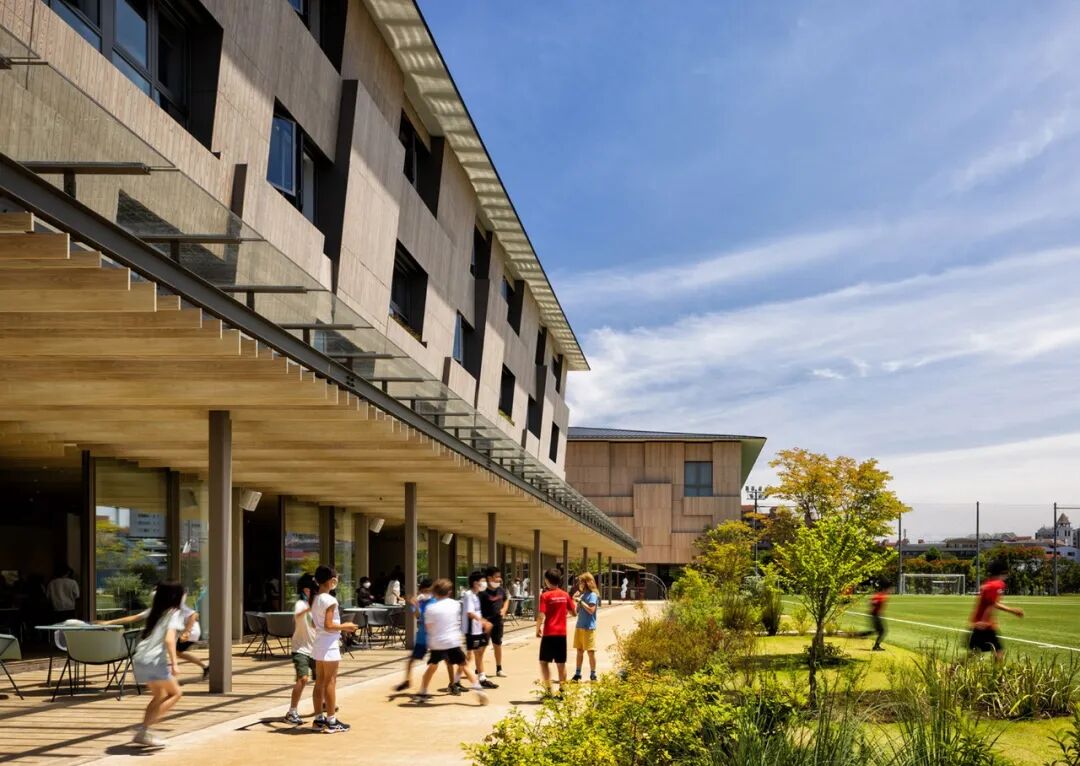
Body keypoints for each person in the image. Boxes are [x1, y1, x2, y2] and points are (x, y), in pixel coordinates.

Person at [413, 578, 488, 705]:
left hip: (437, 642)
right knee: (464, 665)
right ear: (449, 592)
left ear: (434, 592)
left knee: (432, 667)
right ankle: (478, 690)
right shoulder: (455, 604)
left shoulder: (431, 608)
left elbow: (428, 627)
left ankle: (422, 692)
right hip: (453, 641)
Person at [130, 581, 185, 748]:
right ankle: (144, 729)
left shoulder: (156, 611)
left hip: (140, 659)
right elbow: (169, 640)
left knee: (159, 695)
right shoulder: (174, 613)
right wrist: (174, 663)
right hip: (154, 661)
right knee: (176, 693)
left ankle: (144, 731)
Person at [311, 565, 358, 733]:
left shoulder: (316, 599)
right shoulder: (330, 600)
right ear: (331, 580)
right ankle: (331, 720)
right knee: (330, 682)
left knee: (319, 682)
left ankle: (319, 719)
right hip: (329, 644)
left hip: (319, 643)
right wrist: (346, 626)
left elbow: (315, 624)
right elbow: (329, 625)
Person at [969, 560, 1024, 659]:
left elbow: (990, 603)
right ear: (1002, 572)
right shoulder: (997, 584)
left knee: (976, 654)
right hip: (985, 625)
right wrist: (1013, 610)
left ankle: (953, 667)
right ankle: (997, 671)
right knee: (998, 652)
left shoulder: (988, 583)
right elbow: (991, 604)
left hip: (979, 623)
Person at [536, 568, 576, 697]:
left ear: (547, 580)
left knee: (544, 662)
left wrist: (538, 628)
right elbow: (574, 613)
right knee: (561, 663)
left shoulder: (545, 595)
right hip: (561, 634)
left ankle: (548, 691)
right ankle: (562, 692)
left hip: (549, 633)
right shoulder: (565, 595)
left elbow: (541, 615)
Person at [284, 573, 318, 725]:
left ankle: (322, 703)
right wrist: (310, 607)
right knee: (302, 679)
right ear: (306, 590)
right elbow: (297, 615)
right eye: (313, 589)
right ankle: (292, 711)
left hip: (315, 648)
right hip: (301, 649)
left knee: (322, 679)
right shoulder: (301, 604)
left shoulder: (317, 605)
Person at [460, 571, 496, 691]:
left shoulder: (476, 595)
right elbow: (470, 613)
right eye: (482, 581)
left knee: (479, 653)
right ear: (475, 583)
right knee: (469, 656)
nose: (484, 583)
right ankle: (455, 681)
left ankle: (482, 678)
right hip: (470, 630)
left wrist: (483, 623)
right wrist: (484, 622)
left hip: (477, 629)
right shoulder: (468, 595)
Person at [479, 566, 510, 679]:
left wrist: (504, 609)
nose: (499, 579)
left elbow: (506, 599)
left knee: (497, 645)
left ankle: (499, 668)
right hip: (486, 623)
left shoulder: (501, 590)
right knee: (482, 647)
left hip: (498, 622)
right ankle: (479, 668)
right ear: (489, 578)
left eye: (499, 576)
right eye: (496, 577)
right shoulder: (482, 592)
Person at [571, 572, 600, 682]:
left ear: (587, 583)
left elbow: (591, 610)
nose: (579, 584)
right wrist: (575, 600)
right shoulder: (582, 595)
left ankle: (593, 674)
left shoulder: (593, 595)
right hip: (579, 626)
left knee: (590, 652)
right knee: (579, 651)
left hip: (588, 627)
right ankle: (577, 673)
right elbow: (576, 612)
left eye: (581, 582)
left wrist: (581, 601)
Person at [175, 590, 208, 679]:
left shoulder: (178, 605)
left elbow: (194, 614)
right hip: (190, 632)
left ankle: (205, 666)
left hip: (192, 632)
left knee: (176, 652)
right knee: (177, 652)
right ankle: (205, 666)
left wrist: (187, 631)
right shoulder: (175, 605)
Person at [869, 585, 888, 651]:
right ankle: (876, 646)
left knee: (879, 631)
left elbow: (871, 603)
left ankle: (876, 646)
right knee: (882, 631)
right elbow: (874, 603)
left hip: (874, 614)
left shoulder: (877, 595)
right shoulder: (880, 596)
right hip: (876, 615)